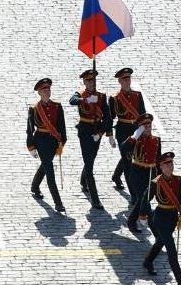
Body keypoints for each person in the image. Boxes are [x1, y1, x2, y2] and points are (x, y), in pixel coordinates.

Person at [139, 152, 181, 285]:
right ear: (161, 167)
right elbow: (145, 198)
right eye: (167, 164)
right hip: (160, 217)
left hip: (173, 217)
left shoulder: (179, 180)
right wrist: (143, 215)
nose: (170, 166)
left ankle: (148, 261)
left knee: (161, 241)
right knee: (172, 251)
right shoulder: (156, 182)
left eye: (171, 163)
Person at [69, 69, 114, 210]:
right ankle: (95, 198)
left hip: (96, 130)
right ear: (84, 82)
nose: (91, 83)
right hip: (84, 130)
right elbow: (72, 101)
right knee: (89, 163)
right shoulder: (80, 95)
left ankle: (83, 180)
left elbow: (107, 117)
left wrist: (104, 133)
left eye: (93, 80)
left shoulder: (101, 96)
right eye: (88, 81)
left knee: (91, 158)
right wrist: (86, 100)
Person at [26, 78, 67, 212]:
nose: (47, 92)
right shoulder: (34, 109)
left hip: (53, 141)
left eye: (48, 89)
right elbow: (30, 129)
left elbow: (61, 126)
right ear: (39, 92)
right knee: (49, 170)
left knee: (46, 164)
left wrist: (62, 141)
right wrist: (31, 146)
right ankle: (58, 202)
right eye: (44, 90)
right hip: (41, 141)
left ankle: (35, 185)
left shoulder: (57, 106)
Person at [108, 68, 146, 201]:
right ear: (119, 81)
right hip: (123, 131)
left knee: (130, 157)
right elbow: (110, 117)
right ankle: (134, 195)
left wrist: (145, 130)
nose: (126, 81)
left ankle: (116, 175)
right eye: (124, 79)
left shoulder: (137, 95)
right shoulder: (115, 98)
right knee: (128, 162)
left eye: (128, 78)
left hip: (136, 130)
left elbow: (142, 115)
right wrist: (110, 135)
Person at [121, 113, 161, 234]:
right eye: (145, 126)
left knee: (143, 200)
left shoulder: (156, 140)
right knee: (145, 203)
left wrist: (160, 176)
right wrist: (134, 136)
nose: (148, 128)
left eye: (149, 125)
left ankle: (131, 221)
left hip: (151, 173)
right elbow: (123, 148)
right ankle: (157, 233)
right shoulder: (135, 140)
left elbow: (158, 159)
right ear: (140, 128)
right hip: (137, 173)